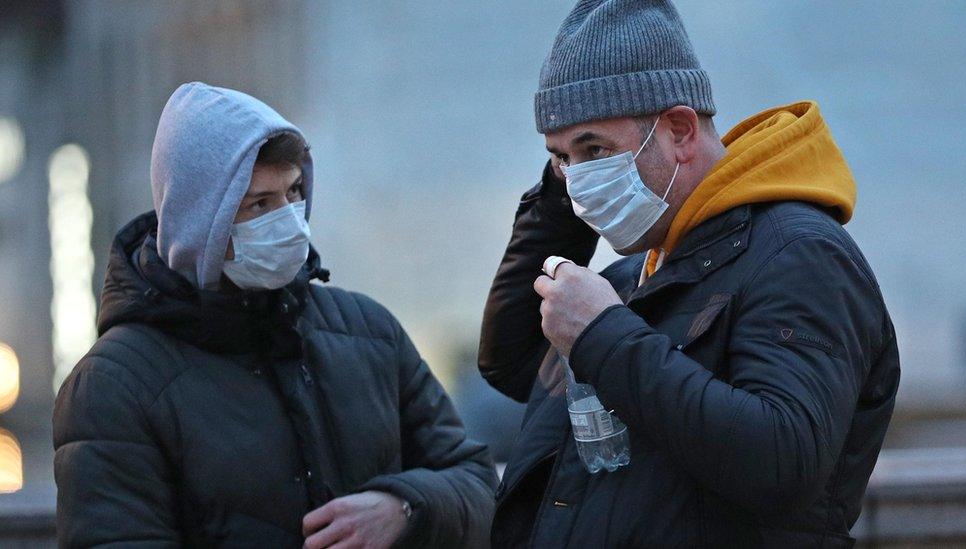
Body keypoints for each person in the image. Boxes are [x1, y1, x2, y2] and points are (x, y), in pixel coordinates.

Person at [479, 1, 899, 546]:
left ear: (679, 130)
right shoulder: (643, 270)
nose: (579, 183)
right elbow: (511, 362)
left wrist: (603, 336)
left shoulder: (798, 254)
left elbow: (785, 461)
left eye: (595, 150)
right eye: (561, 158)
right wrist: (564, 200)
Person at [54, 82, 496, 548]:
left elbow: (477, 483)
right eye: (258, 205)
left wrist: (405, 507)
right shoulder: (114, 384)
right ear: (200, 223)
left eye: (293, 192)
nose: (288, 220)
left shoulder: (369, 332)